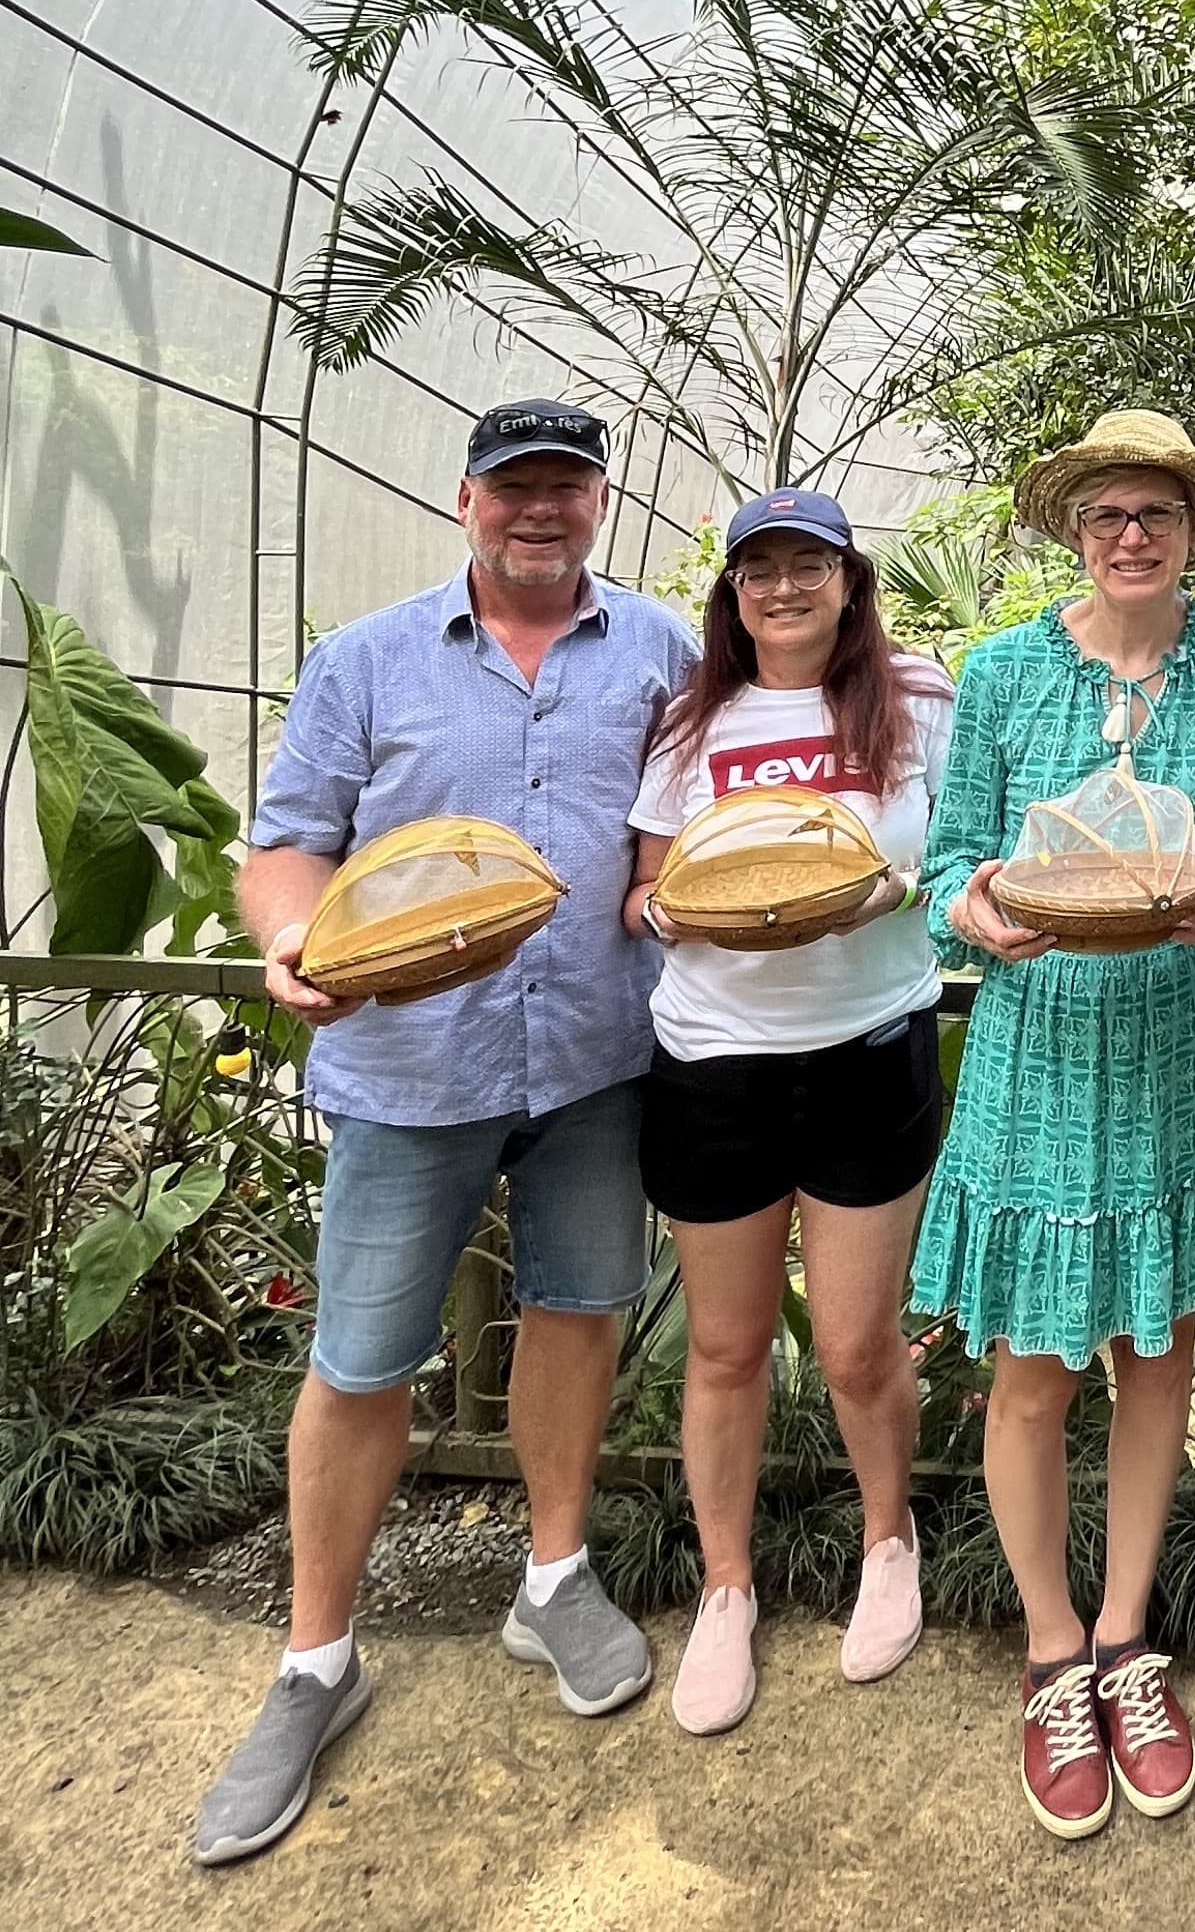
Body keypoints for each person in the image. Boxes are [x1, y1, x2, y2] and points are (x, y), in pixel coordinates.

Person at [196, 400, 697, 1866]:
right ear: (466, 499)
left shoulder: (662, 646)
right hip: (411, 1060)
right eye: (513, 488)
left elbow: (690, 821)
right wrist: (290, 939)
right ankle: (313, 1661)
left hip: (599, 1058)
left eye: (565, 486)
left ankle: (551, 1577)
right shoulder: (367, 657)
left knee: (579, 1309)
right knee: (358, 1359)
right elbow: (289, 840)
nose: (539, 510)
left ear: (598, 498)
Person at [910, 411, 1195, 1841]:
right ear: (1076, 528)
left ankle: (1130, 1639)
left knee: (1153, 1351)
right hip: (1038, 1047)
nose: (1134, 534)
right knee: (1028, 1374)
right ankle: (1051, 1647)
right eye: (1110, 513)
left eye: (1160, 513)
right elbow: (948, 857)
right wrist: (981, 910)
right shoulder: (1004, 669)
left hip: (1179, 1043)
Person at [621, 487, 956, 1735]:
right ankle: (725, 1585)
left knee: (861, 1344)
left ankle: (887, 1539)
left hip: (868, 1047)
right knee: (724, 1345)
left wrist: (889, 889)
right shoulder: (690, 719)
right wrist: (685, 914)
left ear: (849, 581)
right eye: (759, 568)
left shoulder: (919, 700)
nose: (783, 586)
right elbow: (642, 891)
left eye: (808, 563)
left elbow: (959, 848)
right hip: (715, 1057)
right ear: (733, 591)